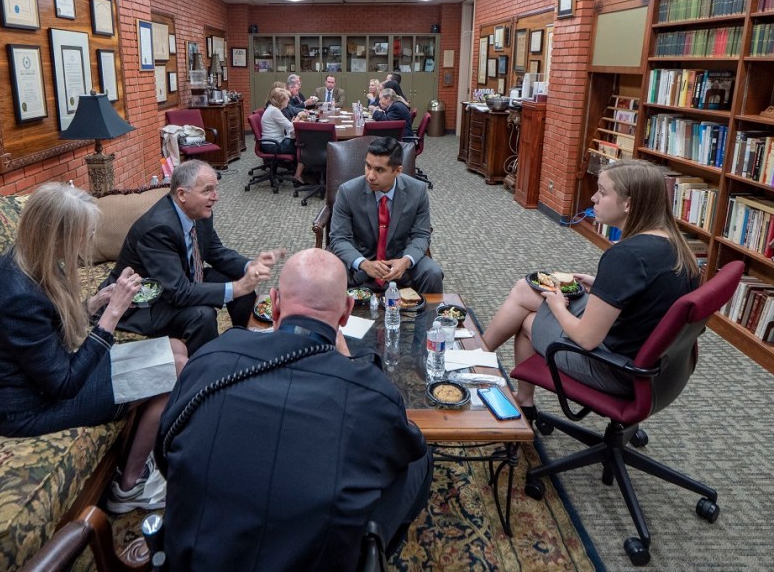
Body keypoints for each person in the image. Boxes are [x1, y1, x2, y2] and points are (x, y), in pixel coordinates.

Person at [156, 248, 432, 570]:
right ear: (345, 313)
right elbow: (403, 449)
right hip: (314, 559)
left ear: (273, 303)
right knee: (419, 457)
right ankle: (371, 545)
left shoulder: (210, 359)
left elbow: (165, 449)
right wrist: (348, 368)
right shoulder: (372, 395)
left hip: (195, 556)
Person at [0, 183, 188, 514]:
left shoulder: (26, 260)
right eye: (82, 235)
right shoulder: (16, 296)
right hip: (26, 408)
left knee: (175, 348)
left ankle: (139, 461)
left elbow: (47, 327)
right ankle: (129, 487)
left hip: (48, 379)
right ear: (56, 236)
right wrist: (111, 315)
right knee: (174, 370)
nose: (86, 243)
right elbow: (64, 384)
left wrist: (95, 303)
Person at [481, 159, 698, 416]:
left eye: (603, 192)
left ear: (628, 204)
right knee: (524, 289)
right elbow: (652, 293)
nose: (593, 198)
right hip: (657, 364)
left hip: (615, 368)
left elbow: (586, 338)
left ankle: (482, 369)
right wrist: (605, 285)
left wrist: (558, 307)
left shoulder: (626, 256)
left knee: (528, 320)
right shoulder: (678, 247)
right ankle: (483, 361)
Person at [103, 160, 285, 355]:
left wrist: (250, 266)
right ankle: (206, 373)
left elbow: (215, 251)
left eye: (216, 189)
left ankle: (246, 344)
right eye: (207, 190)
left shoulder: (199, 212)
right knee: (202, 315)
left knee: (239, 281)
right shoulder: (158, 229)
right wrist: (238, 288)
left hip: (178, 281)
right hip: (143, 304)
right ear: (182, 194)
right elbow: (179, 293)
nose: (216, 197)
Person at [330, 136, 443, 293]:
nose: (370, 175)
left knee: (433, 273)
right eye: (368, 166)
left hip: (399, 259)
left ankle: (426, 318)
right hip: (360, 259)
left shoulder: (417, 191)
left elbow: (421, 235)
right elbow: (338, 238)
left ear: (397, 171)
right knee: (331, 273)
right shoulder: (348, 192)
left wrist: (405, 261)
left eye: (379, 170)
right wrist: (363, 263)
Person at [261, 86, 307, 183]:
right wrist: (298, 117)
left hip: (273, 142)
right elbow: (290, 127)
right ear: (280, 101)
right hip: (273, 145)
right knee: (304, 148)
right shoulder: (274, 111)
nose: (287, 103)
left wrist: (294, 122)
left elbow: (288, 126)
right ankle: (298, 175)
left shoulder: (272, 109)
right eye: (286, 100)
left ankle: (301, 172)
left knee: (300, 143)